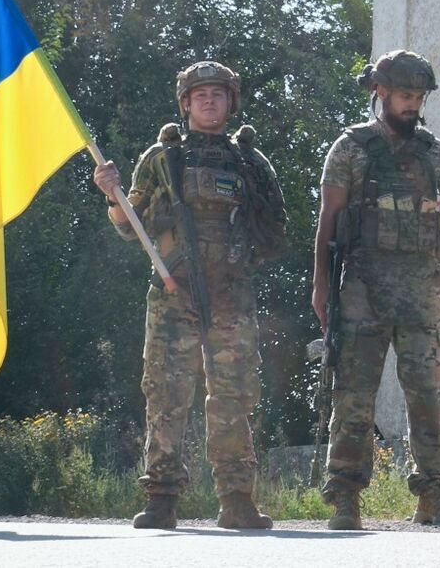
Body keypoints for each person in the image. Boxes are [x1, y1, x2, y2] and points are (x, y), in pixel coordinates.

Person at [92, 60, 286, 530]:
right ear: (185, 103)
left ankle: (237, 499)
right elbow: (128, 225)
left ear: (230, 102)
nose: (209, 101)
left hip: (231, 295)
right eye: (199, 95)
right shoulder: (161, 158)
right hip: (174, 291)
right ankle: (161, 497)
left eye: (218, 94)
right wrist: (111, 194)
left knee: (233, 396)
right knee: (166, 391)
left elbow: (276, 227)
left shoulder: (250, 161)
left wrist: (243, 259)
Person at [312, 50, 440, 530]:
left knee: (428, 394)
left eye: (418, 97)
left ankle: (434, 492)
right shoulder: (351, 148)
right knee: (354, 396)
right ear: (380, 93)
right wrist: (321, 287)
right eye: (405, 95)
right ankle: (345, 496)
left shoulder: (433, 152)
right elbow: (328, 222)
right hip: (362, 289)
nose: (413, 105)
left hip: (422, 292)